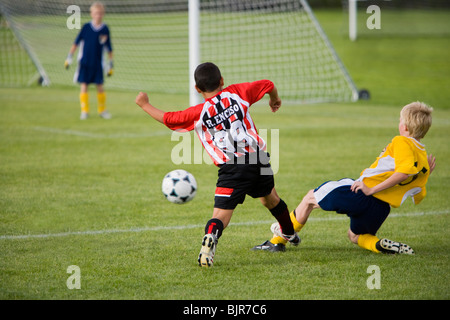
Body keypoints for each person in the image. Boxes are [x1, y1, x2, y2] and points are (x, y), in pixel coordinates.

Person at [135, 62, 298, 267]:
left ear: (197, 89)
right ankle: (289, 233)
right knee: (271, 198)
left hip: (233, 167)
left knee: (220, 216)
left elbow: (169, 119)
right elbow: (268, 84)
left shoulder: (199, 112)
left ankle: (211, 238)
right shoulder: (238, 92)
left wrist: (144, 104)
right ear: (222, 81)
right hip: (258, 158)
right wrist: (275, 99)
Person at [253, 101, 435, 255]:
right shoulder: (423, 160)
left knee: (310, 198)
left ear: (404, 126)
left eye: (400, 120)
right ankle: (379, 245)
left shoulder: (401, 141)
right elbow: (416, 192)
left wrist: (371, 189)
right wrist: (425, 172)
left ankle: (279, 240)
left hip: (361, 194)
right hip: (380, 209)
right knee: (355, 236)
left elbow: (403, 172)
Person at [65, 1, 113, 120]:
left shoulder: (105, 29)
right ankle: (84, 111)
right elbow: (76, 43)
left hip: (98, 63)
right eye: (96, 13)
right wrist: (69, 57)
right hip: (85, 62)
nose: (98, 15)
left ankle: (102, 111)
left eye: (100, 13)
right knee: (84, 85)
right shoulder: (86, 27)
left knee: (100, 85)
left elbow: (109, 48)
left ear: (103, 14)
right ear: (91, 14)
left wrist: (110, 64)